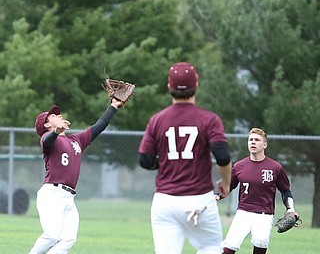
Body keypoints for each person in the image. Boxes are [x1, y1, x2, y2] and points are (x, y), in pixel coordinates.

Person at [138, 62, 232, 254]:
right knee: (211, 247)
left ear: (168, 87)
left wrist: (165, 163)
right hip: (199, 199)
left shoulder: (157, 119)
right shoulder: (209, 119)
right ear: (196, 83)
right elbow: (222, 156)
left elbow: (145, 160)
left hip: (165, 202)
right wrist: (226, 182)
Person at [28, 98, 122, 254]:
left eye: (58, 114)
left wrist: (113, 106)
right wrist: (56, 131)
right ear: (47, 125)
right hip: (52, 194)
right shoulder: (47, 139)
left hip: (69, 198)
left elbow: (99, 126)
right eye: (53, 116)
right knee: (52, 235)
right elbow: (48, 139)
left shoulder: (76, 140)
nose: (59, 116)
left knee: (68, 239)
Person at [221, 127, 299, 254]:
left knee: (260, 243)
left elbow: (285, 190)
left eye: (257, 140)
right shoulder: (239, 166)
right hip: (243, 213)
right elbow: (229, 186)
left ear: (265, 144)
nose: (253, 142)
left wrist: (290, 209)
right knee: (230, 246)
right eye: (250, 140)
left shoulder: (275, 167)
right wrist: (218, 196)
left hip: (264, 215)